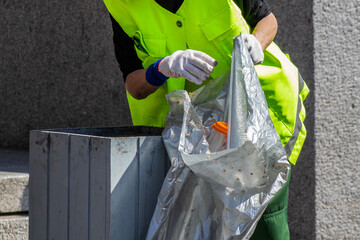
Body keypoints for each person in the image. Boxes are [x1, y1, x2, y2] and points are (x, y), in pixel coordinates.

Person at [103, 0, 309, 239]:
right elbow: (134, 84)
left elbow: (266, 19)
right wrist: (161, 68)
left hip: (257, 115)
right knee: (199, 224)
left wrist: (256, 44)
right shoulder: (122, 5)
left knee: (262, 218)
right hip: (192, 136)